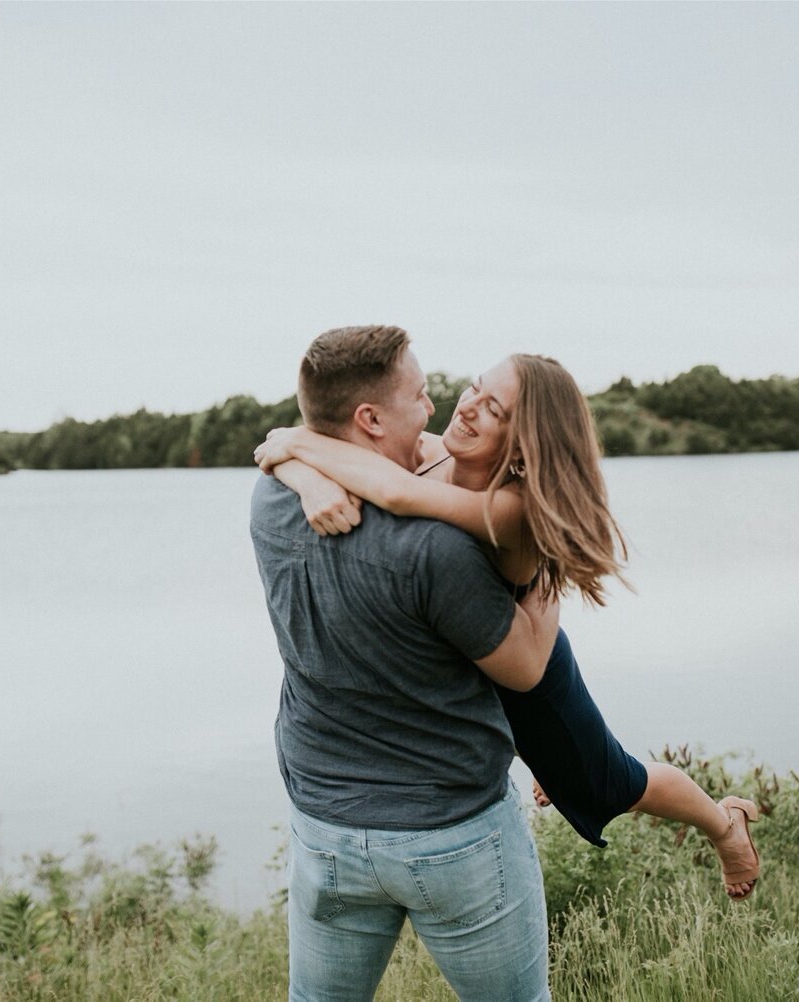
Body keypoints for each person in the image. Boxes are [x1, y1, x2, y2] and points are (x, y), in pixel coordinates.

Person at [255, 352, 762, 900]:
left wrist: (297, 447)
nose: (467, 406)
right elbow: (295, 448)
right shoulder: (428, 453)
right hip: (463, 658)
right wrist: (305, 475)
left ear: (523, 444)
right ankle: (546, 760)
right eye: (475, 387)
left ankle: (724, 825)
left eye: (492, 408)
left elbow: (394, 492)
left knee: (615, 783)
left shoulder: (510, 509)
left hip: (528, 673)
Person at [250, 326, 562, 1001]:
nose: (433, 411)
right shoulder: (436, 548)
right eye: (419, 397)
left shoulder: (272, 499)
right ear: (369, 418)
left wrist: (297, 456)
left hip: (325, 828)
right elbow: (527, 669)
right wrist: (548, 562)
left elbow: (300, 451)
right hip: (452, 834)